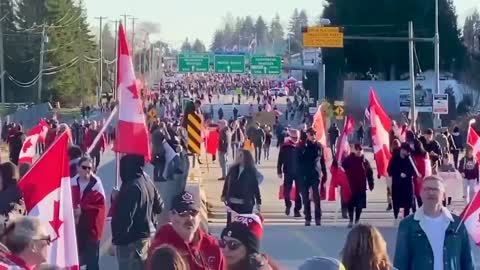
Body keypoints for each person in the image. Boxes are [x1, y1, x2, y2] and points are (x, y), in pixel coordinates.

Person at [394, 175, 474, 270]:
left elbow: (467, 261)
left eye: (435, 189)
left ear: (444, 195)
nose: (431, 192)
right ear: (420, 193)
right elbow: (400, 263)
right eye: (426, 189)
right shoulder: (407, 225)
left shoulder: (457, 224)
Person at [148, 191, 225, 270]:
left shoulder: (211, 245)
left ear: (199, 217)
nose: (189, 218)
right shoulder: (161, 247)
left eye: (193, 213)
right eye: (183, 213)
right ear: (172, 216)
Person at [111, 154, 163, 270]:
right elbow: (159, 207)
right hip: (146, 239)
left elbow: (124, 220)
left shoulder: (131, 187)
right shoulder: (147, 180)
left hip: (130, 243)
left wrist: (116, 241)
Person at [71, 157, 106, 270]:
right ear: (78, 168)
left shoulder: (96, 185)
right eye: (84, 167)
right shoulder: (71, 183)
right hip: (76, 229)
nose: (87, 170)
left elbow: (99, 207)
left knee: (92, 262)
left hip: (91, 230)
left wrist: (83, 210)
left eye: (89, 168)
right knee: (75, 259)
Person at [222, 150, 261, 224]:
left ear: (246, 158)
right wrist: (223, 195)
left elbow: (255, 187)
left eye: (241, 155)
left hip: (245, 204)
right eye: (238, 155)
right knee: (231, 225)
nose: (238, 157)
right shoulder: (232, 169)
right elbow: (227, 182)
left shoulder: (251, 171)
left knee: (243, 226)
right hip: (232, 203)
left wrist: (258, 202)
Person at [298, 128, 327, 226]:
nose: (313, 136)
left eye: (314, 134)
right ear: (307, 135)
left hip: (315, 174)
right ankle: (308, 218)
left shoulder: (319, 146)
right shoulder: (303, 146)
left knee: (316, 196)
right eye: (311, 134)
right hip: (305, 175)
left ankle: (318, 218)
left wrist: (324, 173)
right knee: (305, 198)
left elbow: (322, 160)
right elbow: (298, 161)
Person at [342, 144, 374, 227]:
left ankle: (357, 220)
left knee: (359, 205)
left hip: (361, 186)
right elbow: (342, 169)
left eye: (360, 150)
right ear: (354, 150)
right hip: (351, 186)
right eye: (357, 150)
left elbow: (369, 173)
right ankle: (351, 220)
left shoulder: (364, 161)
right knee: (350, 204)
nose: (359, 151)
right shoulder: (348, 160)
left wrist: (371, 183)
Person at [387, 143, 416, 221]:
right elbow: (389, 170)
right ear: (402, 150)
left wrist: (407, 174)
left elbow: (414, 171)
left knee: (407, 203)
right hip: (397, 184)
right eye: (406, 151)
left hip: (407, 184)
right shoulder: (394, 158)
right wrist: (398, 174)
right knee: (396, 202)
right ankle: (396, 216)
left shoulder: (410, 159)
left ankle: (405, 218)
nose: (407, 153)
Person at [277, 129, 302, 217]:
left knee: (299, 193)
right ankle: (288, 205)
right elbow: (280, 160)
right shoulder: (285, 146)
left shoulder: (301, 146)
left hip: (299, 173)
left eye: (297, 138)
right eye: (294, 137)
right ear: (290, 137)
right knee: (286, 192)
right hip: (288, 172)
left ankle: (297, 210)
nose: (295, 139)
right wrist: (279, 171)